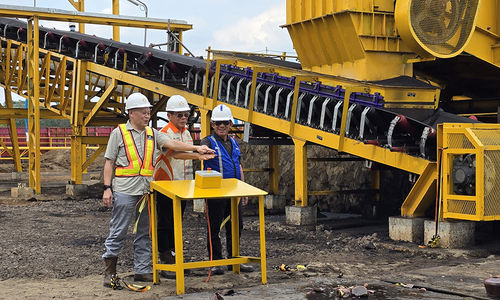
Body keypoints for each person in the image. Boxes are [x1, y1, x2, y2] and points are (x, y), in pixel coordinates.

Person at [101, 92, 214, 287]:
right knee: (118, 231)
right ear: (131, 113)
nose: (147, 116)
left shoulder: (153, 133)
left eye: (149, 112)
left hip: (146, 191)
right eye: (144, 113)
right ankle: (109, 272)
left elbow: (172, 145)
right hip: (125, 191)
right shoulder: (118, 133)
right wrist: (106, 188)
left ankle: (143, 271)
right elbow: (109, 162)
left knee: (145, 232)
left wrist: (197, 150)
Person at [200, 104, 254, 275]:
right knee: (214, 228)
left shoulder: (233, 142)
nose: (222, 126)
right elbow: (199, 155)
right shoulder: (208, 142)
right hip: (215, 193)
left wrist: (243, 190)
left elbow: (239, 165)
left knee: (235, 227)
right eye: (218, 123)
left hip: (234, 193)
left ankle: (233, 260)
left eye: (225, 123)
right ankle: (215, 262)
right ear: (212, 125)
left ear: (231, 124)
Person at [153, 95, 200, 278]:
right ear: (169, 115)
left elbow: (183, 154)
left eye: (186, 115)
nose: (183, 118)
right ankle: (165, 258)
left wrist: (197, 156)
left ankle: (175, 256)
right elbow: (176, 153)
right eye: (179, 115)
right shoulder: (164, 133)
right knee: (165, 222)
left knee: (177, 223)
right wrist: (197, 153)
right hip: (166, 185)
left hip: (182, 185)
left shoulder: (186, 133)